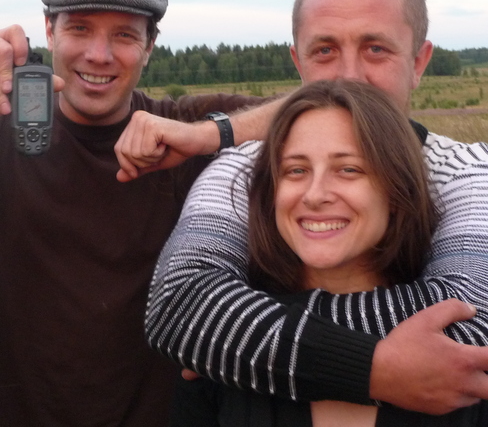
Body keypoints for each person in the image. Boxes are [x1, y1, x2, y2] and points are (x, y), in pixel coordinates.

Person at [0, 0, 273, 426]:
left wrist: (208, 136)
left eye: (125, 35)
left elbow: (332, 108)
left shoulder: (180, 130)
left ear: (151, 45)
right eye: (80, 28)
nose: (99, 54)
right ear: (49, 31)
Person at [119, 0, 488, 415]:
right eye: (325, 51)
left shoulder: (467, 169)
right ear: (298, 60)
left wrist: (232, 339)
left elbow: (470, 326)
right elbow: (180, 301)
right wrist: (374, 367)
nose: (349, 75)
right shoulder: (244, 167)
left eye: (376, 49)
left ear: (419, 62)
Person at [172, 79, 488, 426]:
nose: (314, 194)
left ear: (397, 194)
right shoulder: (220, 351)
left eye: (348, 169)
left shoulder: (464, 360)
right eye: (296, 170)